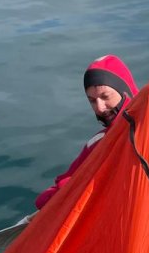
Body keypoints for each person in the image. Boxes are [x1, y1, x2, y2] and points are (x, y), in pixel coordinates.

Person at [33, 54, 139, 211]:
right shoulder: (97, 143)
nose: (100, 108)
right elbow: (68, 180)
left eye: (105, 96)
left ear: (125, 91)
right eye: (92, 100)